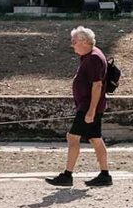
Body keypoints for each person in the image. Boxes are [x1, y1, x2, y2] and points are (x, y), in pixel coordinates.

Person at [45, 26, 112, 188]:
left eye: (74, 42)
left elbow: (97, 85)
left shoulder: (94, 57)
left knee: (73, 137)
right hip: (88, 106)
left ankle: (67, 175)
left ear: (83, 41)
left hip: (89, 107)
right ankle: (104, 175)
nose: (72, 45)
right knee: (95, 139)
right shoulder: (89, 56)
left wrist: (91, 111)